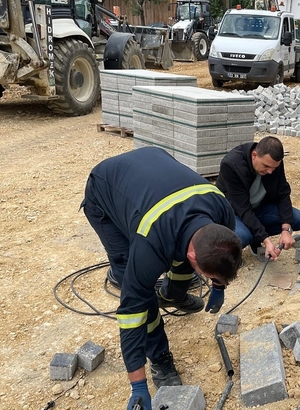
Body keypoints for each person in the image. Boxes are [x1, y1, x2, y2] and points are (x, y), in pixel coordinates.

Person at [81, 147, 242, 410]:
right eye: (208, 276)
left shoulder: (221, 212)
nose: (208, 279)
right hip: (104, 191)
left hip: (152, 166)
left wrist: (219, 285)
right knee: (136, 288)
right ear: (193, 252)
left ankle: (173, 295)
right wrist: (138, 385)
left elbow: (218, 252)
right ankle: (159, 355)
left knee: (178, 252)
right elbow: (131, 313)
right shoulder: (150, 243)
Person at [216, 136, 300, 262]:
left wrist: (286, 230)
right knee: (242, 237)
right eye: (266, 166)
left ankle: (255, 238)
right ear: (254, 155)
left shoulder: (273, 163)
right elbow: (243, 209)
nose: (270, 171)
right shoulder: (231, 165)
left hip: (258, 208)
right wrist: (266, 241)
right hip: (234, 212)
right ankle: (242, 238)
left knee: (298, 219)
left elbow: (283, 193)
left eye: (274, 168)